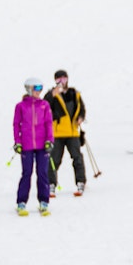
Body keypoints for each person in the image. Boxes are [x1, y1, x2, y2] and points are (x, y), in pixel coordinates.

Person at [13, 77, 54, 215]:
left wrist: (50, 140)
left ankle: (44, 201)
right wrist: (18, 142)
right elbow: (16, 124)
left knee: (42, 172)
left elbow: (49, 123)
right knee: (27, 173)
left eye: (41, 88)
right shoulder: (20, 106)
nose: (39, 91)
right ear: (29, 89)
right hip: (27, 144)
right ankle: (21, 202)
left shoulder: (44, 105)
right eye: (36, 88)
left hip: (43, 144)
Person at [46, 69, 87, 197]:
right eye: (58, 79)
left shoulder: (74, 93)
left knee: (77, 157)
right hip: (57, 133)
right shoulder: (51, 94)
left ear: (67, 79)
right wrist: (52, 95)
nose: (61, 82)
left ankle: (81, 181)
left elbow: (81, 109)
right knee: (54, 159)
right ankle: (51, 184)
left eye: (63, 79)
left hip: (72, 132)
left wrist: (80, 118)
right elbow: (44, 107)